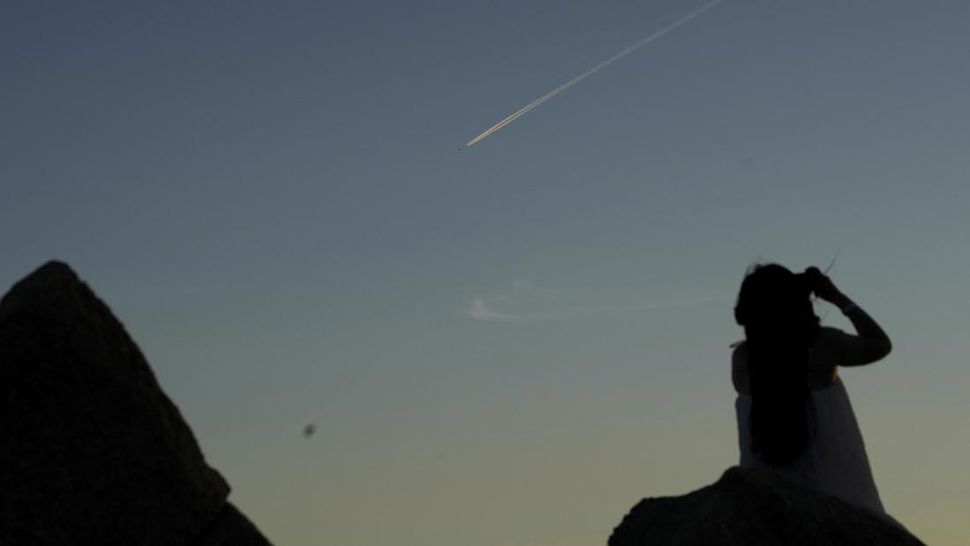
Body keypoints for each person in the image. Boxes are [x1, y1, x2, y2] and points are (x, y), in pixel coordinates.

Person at [731, 263, 892, 515]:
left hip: (767, 501)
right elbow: (880, 344)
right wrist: (837, 298)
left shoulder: (742, 359)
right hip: (835, 490)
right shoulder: (825, 345)